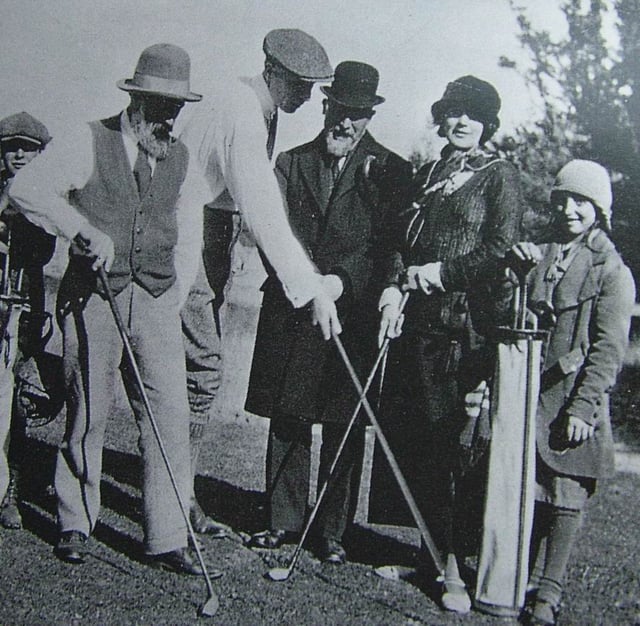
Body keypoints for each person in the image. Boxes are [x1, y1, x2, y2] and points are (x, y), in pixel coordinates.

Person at [9, 44, 215, 575]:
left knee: (169, 413)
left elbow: (189, 234)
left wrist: (174, 295)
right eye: (159, 104)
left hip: (154, 301)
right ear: (135, 99)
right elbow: (26, 188)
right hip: (93, 298)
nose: (168, 117)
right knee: (88, 411)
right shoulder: (88, 139)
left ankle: (167, 534)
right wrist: (79, 229)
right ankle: (76, 520)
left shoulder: (183, 158)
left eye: (177, 108)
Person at [244, 61, 413, 563]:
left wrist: (340, 282)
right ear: (326, 105)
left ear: (369, 117)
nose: (346, 123)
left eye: (358, 115)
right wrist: (306, 283)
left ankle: (331, 533)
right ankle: (282, 522)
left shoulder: (392, 171)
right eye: (340, 109)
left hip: (352, 316)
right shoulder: (291, 163)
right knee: (289, 415)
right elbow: (272, 233)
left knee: (345, 422)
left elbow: (387, 246)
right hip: (294, 309)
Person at [176, 28, 342, 535]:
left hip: (215, 241)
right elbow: (263, 207)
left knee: (192, 371)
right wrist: (310, 287)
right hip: (186, 237)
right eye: (301, 85)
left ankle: (177, 494)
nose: (310, 96)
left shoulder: (261, 110)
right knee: (199, 372)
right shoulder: (241, 110)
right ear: (273, 71)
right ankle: (176, 500)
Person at [371, 76, 524, 612]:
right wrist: (393, 288)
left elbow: (499, 247)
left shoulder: (500, 176)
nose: (460, 123)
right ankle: (423, 557)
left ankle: (454, 570)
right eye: (453, 113)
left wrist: (438, 272)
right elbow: (398, 238)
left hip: (462, 333)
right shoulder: (429, 173)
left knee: (449, 450)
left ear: (488, 124)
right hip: (415, 326)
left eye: (472, 115)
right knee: (411, 444)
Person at [509, 160, 634, 626]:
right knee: (534, 488)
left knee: (566, 493)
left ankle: (549, 592)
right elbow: (519, 315)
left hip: (572, 398)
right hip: (532, 393)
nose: (569, 210)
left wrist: (584, 407)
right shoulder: (542, 254)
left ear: (598, 209)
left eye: (581, 202)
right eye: (562, 200)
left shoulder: (612, 271)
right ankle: (519, 577)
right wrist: (515, 274)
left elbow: (608, 350)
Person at [0, 112, 56, 529]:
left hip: (22, 309)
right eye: (10, 147)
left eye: (28, 148)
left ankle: (9, 493)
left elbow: (41, 252)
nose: (18, 155)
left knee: (13, 402)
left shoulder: (44, 197)